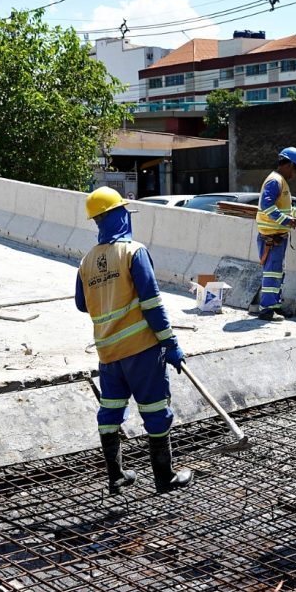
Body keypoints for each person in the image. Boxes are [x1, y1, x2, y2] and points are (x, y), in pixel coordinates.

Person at [75, 187, 193, 496]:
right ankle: (164, 478)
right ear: (119, 214)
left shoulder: (86, 261)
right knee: (155, 409)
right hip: (141, 350)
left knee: (110, 411)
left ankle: (115, 476)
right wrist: (170, 343)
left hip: (108, 353)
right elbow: (152, 304)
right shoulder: (133, 252)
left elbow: (81, 304)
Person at [254, 147, 296, 321]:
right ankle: (266, 310)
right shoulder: (275, 181)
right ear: (288, 164)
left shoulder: (280, 182)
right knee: (272, 274)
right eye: (295, 169)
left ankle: (275, 306)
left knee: (277, 273)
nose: (295, 174)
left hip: (277, 238)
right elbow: (267, 207)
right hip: (271, 238)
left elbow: (282, 209)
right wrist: (287, 221)